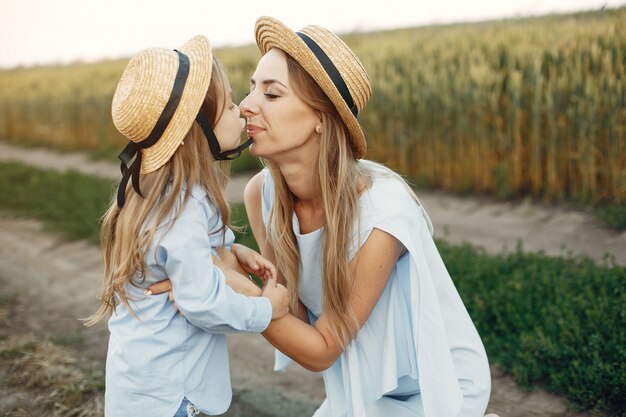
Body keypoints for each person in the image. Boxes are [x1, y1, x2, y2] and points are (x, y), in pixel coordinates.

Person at [237, 17, 493, 417]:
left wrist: (228, 287)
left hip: (432, 386)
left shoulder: (381, 210)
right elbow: (291, 318)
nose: (246, 105)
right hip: (361, 382)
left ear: (321, 117)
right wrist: (217, 268)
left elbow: (320, 350)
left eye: (271, 94)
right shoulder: (262, 195)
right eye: (251, 88)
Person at [84, 35, 289, 417]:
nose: (240, 110)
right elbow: (202, 303)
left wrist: (231, 249)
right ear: (198, 130)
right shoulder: (183, 206)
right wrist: (266, 309)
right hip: (171, 399)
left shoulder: (157, 191)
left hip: (141, 389)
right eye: (228, 105)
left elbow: (183, 250)